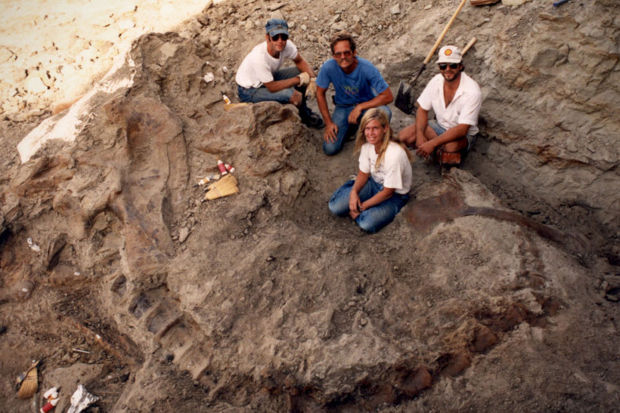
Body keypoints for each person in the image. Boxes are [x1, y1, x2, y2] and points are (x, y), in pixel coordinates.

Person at [328, 108, 412, 233]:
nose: (370, 133)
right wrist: (354, 193)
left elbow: (388, 192)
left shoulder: (395, 154)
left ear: (385, 129)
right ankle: (354, 191)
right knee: (335, 207)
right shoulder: (367, 146)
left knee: (366, 223)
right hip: (373, 183)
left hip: (395, 195)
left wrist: (362, 207)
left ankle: (369, 211)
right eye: (367, 128)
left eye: (375, 128)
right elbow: (363, 174)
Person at [397, 45, 482, 166]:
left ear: (460, 66)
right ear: (439, 67)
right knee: (403, 136)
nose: (447, 69)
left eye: (452, 65)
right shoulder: (436, 81)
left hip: (461, 135)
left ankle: (437, 154)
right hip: (439, 125)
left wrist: (432, 144)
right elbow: (422, 109)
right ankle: (433, 150)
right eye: (443, 66)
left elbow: (462, 129)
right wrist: (420, 135)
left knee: (450, 151)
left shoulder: (472, 91)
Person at [235, 18, 323, 128]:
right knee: (292, 94)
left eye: (284, 37)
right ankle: (304, 118)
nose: (280, 41)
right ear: (268, 38)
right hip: (249, 89)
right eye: (275, 37)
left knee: (303, 72)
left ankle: (303, 110)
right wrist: (298, 79)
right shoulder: (259, 57)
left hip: (268, 78)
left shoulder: (287, 46)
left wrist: (312, 78)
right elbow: (271, 87)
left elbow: (300, 61)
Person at [316, 32, 394, 156]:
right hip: (343, 107)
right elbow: (319, 93)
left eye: (346, 52)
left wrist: (360, 107)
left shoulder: (367, 67)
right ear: (333, 56)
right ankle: (355, 127)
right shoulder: (328, 68)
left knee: (385, 112)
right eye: (338, 54)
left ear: (354, 52)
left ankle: (373, 138)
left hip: (366, 105)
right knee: (330, 148)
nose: (343, 57)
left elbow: (388, 96)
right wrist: (328, 123)